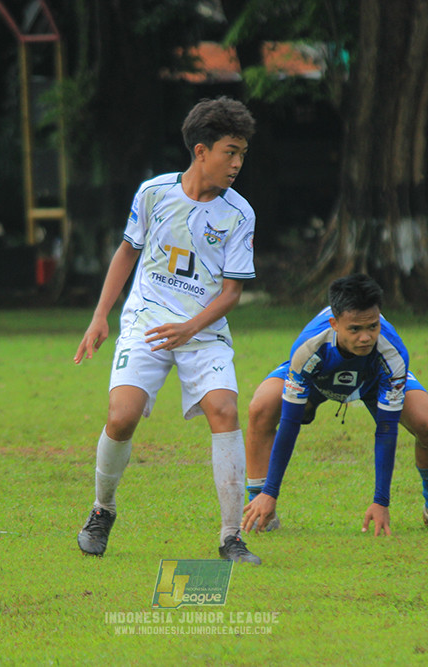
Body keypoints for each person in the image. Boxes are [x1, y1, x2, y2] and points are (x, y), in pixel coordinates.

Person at [74, 96, 261, 564]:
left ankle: (231, 537)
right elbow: (126, 253)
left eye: (242, 153)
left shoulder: (239, 214)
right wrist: (100, 315)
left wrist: (191, 327)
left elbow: (232, 293)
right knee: (121, 417)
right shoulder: (154, 193)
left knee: (225, 410)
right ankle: (103, 510)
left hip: (203, 327)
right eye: (230, 152)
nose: (238, 163)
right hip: (146, 321)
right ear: (201, 151)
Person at [241, 273, 428, 537]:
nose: (365, 337)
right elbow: (290, 424)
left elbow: (386, 429)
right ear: (334, 324)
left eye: (372, 326)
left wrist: (381, 501)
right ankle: (260, 507)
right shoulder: (309, 349)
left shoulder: (391, 352)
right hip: (319, 378)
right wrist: (270, 492)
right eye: (355, 329)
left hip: (373, 381)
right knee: (261, 406)